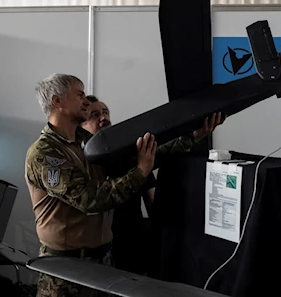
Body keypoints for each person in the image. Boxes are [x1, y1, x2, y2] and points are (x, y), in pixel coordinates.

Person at [25, 73, 224, 297]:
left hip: (102, 262)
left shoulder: (90, 144)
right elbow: (90, 199)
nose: (86, 102)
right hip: (64, 271)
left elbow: (149, 154)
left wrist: (195, 135)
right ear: (57, 101)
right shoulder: (45, 153)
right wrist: (140, 171)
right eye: (79, 95)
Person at [80, 95, 156, 275]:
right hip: (91, 255)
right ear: (80, 127)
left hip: (131, 249)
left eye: (105, 112)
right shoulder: (77, 163)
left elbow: (153, 201)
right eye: (94, 115)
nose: (103, 118)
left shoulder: (132, 157)